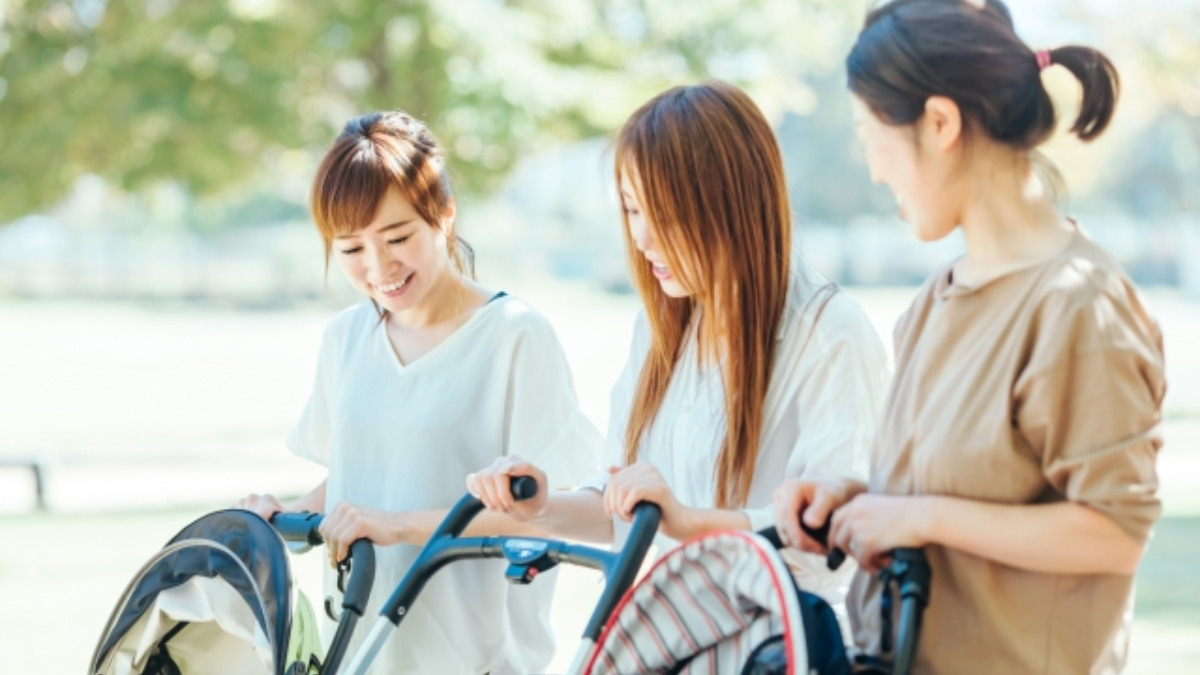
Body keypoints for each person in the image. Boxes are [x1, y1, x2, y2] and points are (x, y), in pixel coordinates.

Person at [771, 1, 1165, 673]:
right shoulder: (935, 300)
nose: (873, 170)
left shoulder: (1080, 304)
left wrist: (920, 516)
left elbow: (1112, 532)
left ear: (940, 122)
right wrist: (862, 500)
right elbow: (972, 487)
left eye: (873, 138)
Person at [468, 81, 889, 606]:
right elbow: (624, 506)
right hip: (673, 637)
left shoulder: (829, 334)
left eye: (663, 215)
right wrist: (540, 504)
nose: (642, 240)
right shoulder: (662, 324)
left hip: (777, 646)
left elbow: (834, 541)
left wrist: (690, 524)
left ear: (733, 205)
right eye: (631, 210)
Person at [236, 111, 600, 674]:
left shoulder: (516, 335)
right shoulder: (345, 339)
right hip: (359, 647)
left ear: (445, 217)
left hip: (474, 657)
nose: (379, 267)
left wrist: (397, 525)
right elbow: (358, 474)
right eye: (351, 249)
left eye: (398, 237)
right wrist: (278, 518)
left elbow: (540, 513)